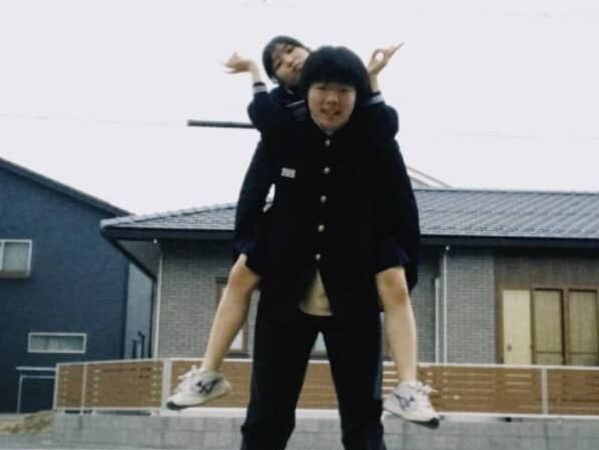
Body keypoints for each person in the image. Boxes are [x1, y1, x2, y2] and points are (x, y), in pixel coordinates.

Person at [166, 35, 438, 427]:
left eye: (292, 50)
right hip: (291, 229)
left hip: (357, 230)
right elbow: (256, 173)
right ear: (294, 84)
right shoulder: (281, 117)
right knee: (240, 274)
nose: (290, 61)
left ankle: (408, 386)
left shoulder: (363, 116)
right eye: (279, 62)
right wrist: (246, 241)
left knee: (394, 281)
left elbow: (387, 140)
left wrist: (371, 78)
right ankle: (208, 372)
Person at [215, 45, 416, 450]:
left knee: (362, 415)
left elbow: (401, 204)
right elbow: (251, 195)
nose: (331, 99)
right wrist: (250, 250)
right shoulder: (285, 136)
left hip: (354, 298)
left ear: (356, 96)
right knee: (267, 413)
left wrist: (399, 265)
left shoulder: (372, 140)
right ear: (306, 93)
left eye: (343, 90)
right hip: (286, 294)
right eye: (322, 88)